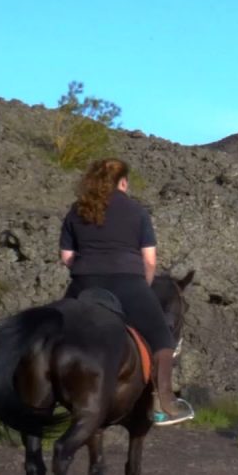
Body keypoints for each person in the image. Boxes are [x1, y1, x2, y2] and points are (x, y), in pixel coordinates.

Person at [58, 158, 194, 424]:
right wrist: (143, 284)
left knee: (54, 332)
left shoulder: (78, 209)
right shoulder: (136, 211)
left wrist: (88, 268)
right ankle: (164, 404)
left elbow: (66, 257)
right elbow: (150, 261)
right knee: (163, 339)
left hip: (83, 284)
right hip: (127, 284)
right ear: (122, 181)